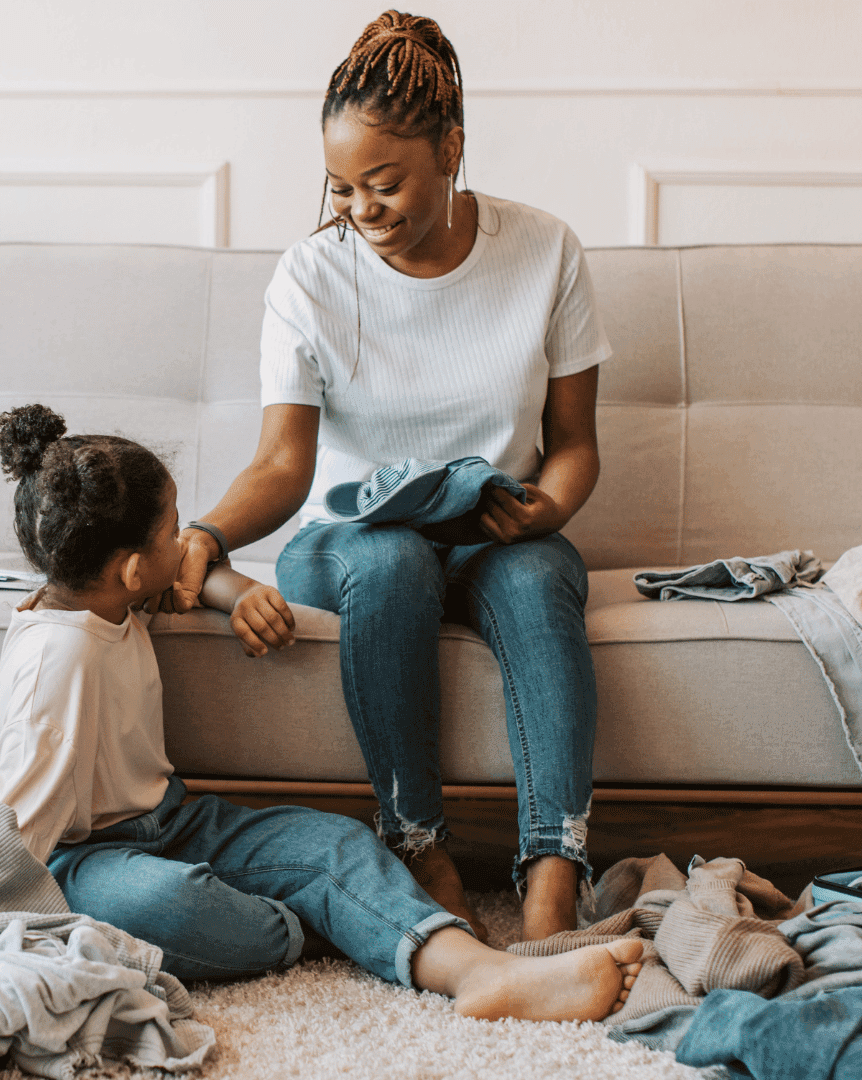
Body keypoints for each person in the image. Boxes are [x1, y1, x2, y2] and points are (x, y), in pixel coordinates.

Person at [165, 10, 612, 943]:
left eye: (385, 184)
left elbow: (573, 443)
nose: (361, 211)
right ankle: (417, 845)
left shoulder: (546, 252)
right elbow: (286, 465)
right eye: (340, 189)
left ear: (451, 148)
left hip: (496, 534)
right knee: (395, 559)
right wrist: (207, 535)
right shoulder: (308, 278)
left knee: (539, 580)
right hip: (350, 546)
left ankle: (553, 876)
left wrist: (547, 510)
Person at [0, 404, 640, 1022]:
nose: (189, 541)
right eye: (177, 530)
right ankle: (340, 926)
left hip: (173, 822)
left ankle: (477, 972)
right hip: (79, 861)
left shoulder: (104, 595)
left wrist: (234, 591)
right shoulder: (55, 662)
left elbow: (183, 577)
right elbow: (9, 842)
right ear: (133, 567)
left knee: (338, 843)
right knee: (168, 904)